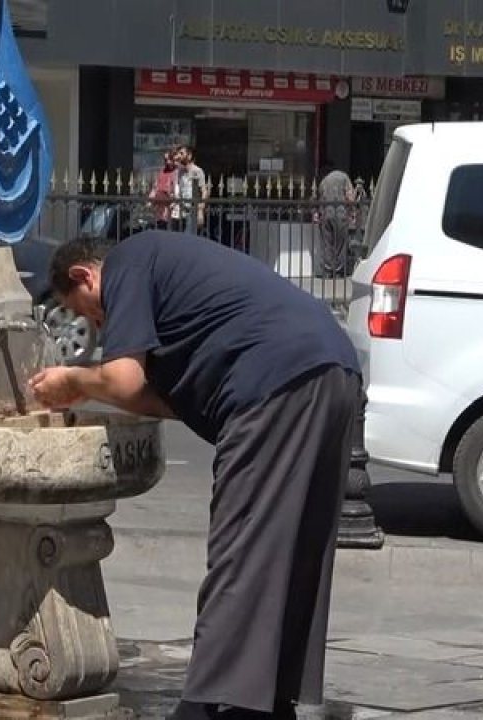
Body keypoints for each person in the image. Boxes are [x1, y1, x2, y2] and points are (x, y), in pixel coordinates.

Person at [29, 231, 361, 720]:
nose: (95, 325)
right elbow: (163, 400)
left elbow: (123, 379)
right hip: (333, 368)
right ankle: (270, 700)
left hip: (274, 382)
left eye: (86, 311)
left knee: (241, 546)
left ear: (85, 275)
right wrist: (94, 390)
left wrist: (76, 379)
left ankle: (205, 707)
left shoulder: (128, 264)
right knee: (297, 547)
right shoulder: (171, 275)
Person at [315, 161, 354, 278]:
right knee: (340, 243)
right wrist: (352, 211)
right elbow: (350, 197)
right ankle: (338, 270)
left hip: (326, 213)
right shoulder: (343, 177)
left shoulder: (323, 181)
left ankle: (327, 270)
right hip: (340, 213)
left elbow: (320, 200)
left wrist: (319, 214)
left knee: (327, 243)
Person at [173, 145, 209, 236]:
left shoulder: (197, 171)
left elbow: (204, 191)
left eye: (182, 153)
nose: (180, 156)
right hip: (182, 210)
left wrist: (201, 210)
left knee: (189, 236)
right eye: (179, 153)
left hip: (193, 209)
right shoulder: (180, 172)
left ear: (189, 156)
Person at [149, 150, 179, 230]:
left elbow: (175, 189)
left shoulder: (177, 172)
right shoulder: (162, 171)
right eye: (165, 160)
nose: (167, 162)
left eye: (169, 159)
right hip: (159, 205)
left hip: (170, 205)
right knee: (159, 226)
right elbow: (156, 185)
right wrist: (152, 196)